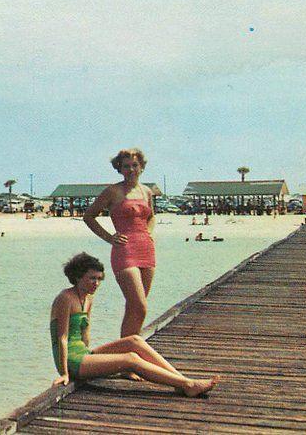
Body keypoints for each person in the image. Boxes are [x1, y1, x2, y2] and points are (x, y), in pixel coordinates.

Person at [50, 252, 219, 396]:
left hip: (84, 354)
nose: (96, 283)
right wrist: (65, 373)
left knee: (134, 341)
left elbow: (85, 333)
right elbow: (62, 338)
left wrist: (95, 360)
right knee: (130, 359)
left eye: (99, 279)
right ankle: (188, 385)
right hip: (71, 361)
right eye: (91, 278)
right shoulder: (65, 298)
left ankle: (181, 381)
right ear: (78, 277)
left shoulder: (88, 297)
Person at [84, 148, 155, 337]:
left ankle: (129, 349)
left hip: (146, 250)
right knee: (140, 305)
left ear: (141, 167)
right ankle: (129, 349)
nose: (131, 170)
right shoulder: (112, 191)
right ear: (119, 168)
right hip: (124, 251)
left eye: (134, 165)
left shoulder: (147, 191)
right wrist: (109, 237)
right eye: (126, 166)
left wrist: (149, 233)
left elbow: (151, 216)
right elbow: (89, 216)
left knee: (135, 308)